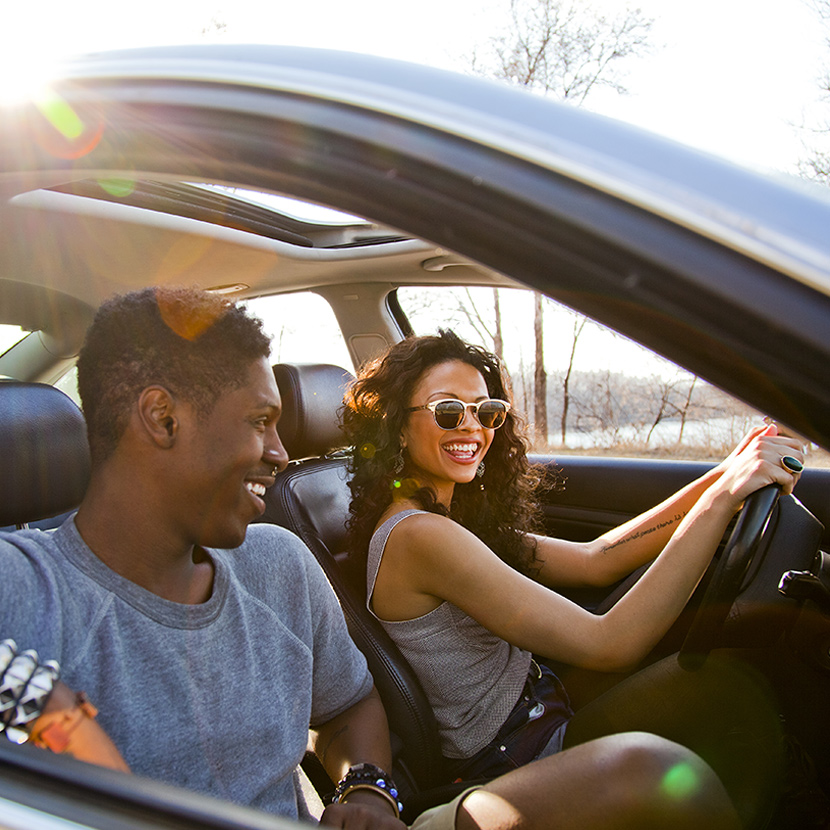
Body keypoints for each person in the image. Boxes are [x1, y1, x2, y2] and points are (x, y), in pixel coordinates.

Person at [0, 289, 741, 830]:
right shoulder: (27, 588)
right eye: (260, 423)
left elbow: (353, 704)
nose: (282, 454)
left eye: (487, 414)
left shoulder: (278, 564)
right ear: (162, 418)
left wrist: (363, 787)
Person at [342, 329, 807, 828]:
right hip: (516, 757)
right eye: (449, 411)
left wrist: (729, 473)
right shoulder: (420, 536)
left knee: (733, 688)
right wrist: (721, 502)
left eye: (487, 411)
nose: (472, 428)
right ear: (397, 427)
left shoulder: (451, 520)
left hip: (542, 712)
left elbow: (597, 558)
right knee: (731, 701)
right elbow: (613, 642)